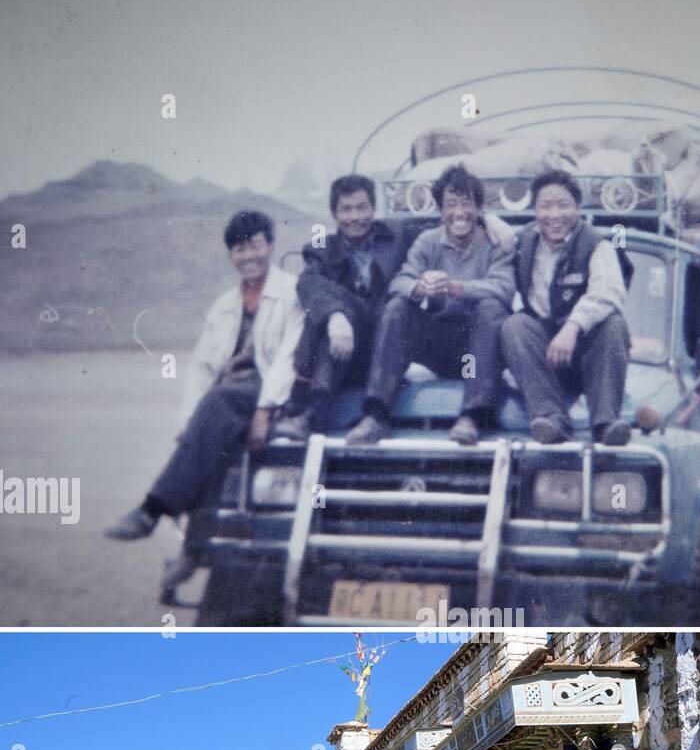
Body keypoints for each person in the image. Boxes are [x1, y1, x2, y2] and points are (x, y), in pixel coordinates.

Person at [105, 210, 303, 543]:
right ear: (231, 256)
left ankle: (151, 510)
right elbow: (202, 366)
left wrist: (264, 411)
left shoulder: (292, 293)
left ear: (269, 246)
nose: (248, 256)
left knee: (218, 401)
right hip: (228, 397)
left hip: (270, 391)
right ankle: (196, 551)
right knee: (213, 447)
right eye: (239, 250)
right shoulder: (224, 305)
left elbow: (288, 358)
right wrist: (189, 422)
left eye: (255, 246)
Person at [346, 164, 515, 447]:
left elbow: (504, 288)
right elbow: (400, 281)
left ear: (479, 208)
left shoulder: (496, 242)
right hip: (438, 344)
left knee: (491, 308)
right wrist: (419, 287)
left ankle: (472, 415)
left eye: (466, 203)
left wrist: (457, 288)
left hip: (475, 355)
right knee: (399, 307)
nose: (459, 212)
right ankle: (376, 413)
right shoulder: (428, 241)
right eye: (451, 204)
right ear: (440, 210)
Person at [278, 175, 421, 438]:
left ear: (373, 208)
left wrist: (486, 221)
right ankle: (316, 408)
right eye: (346, 209)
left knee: (341, 303)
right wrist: (335, 316)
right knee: (325, 300)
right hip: (344, 354)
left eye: (361, 207)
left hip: (389, 350)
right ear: (334, 213)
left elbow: (443, 232)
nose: (355, 217)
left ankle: (311, 412)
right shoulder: (321, 248)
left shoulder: (398, 235)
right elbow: (307, 281)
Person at [501, 170, 632, 446]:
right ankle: (551, 419)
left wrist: (573, 328)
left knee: (613, 323)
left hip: (587, 350)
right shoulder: (523, 242)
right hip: (546, 354)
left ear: (577, 208)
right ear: (534, 209)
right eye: (545, 206)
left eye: (563, 205)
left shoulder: (597, 244)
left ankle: (605, 423)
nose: (554, 215)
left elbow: (608, 291)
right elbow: (489, 234)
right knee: (514, 325)